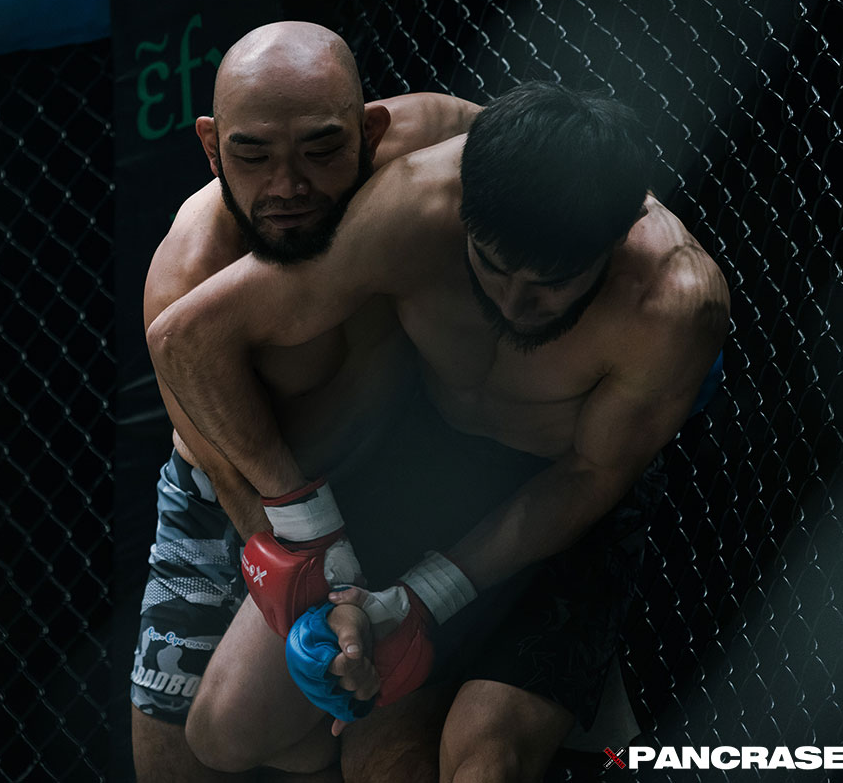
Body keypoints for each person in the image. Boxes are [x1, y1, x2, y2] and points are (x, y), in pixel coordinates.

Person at [147, 80, 730, 782]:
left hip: (560, 496)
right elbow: (185, 338)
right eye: (492, 265)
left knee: (482, 759)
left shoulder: (673, 302)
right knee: (227, 732)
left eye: (550, 284)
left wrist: (426, 596)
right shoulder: (416, 200)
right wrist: (316, 546)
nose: (513, 303)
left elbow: (590, 475)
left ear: (616, 239)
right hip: (421, 459)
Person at [131, 20, 480, 782]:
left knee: (367, 746)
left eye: (320, 151)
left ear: (368, 132)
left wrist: (644, 236)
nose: (287, 186)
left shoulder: (429, 142)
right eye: (253, 155)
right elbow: (237, 478)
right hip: (235, 498)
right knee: (179, 761)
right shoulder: (189, 276)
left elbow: (556, 160)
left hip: (391, 472)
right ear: (212, 147)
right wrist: (324, 598)